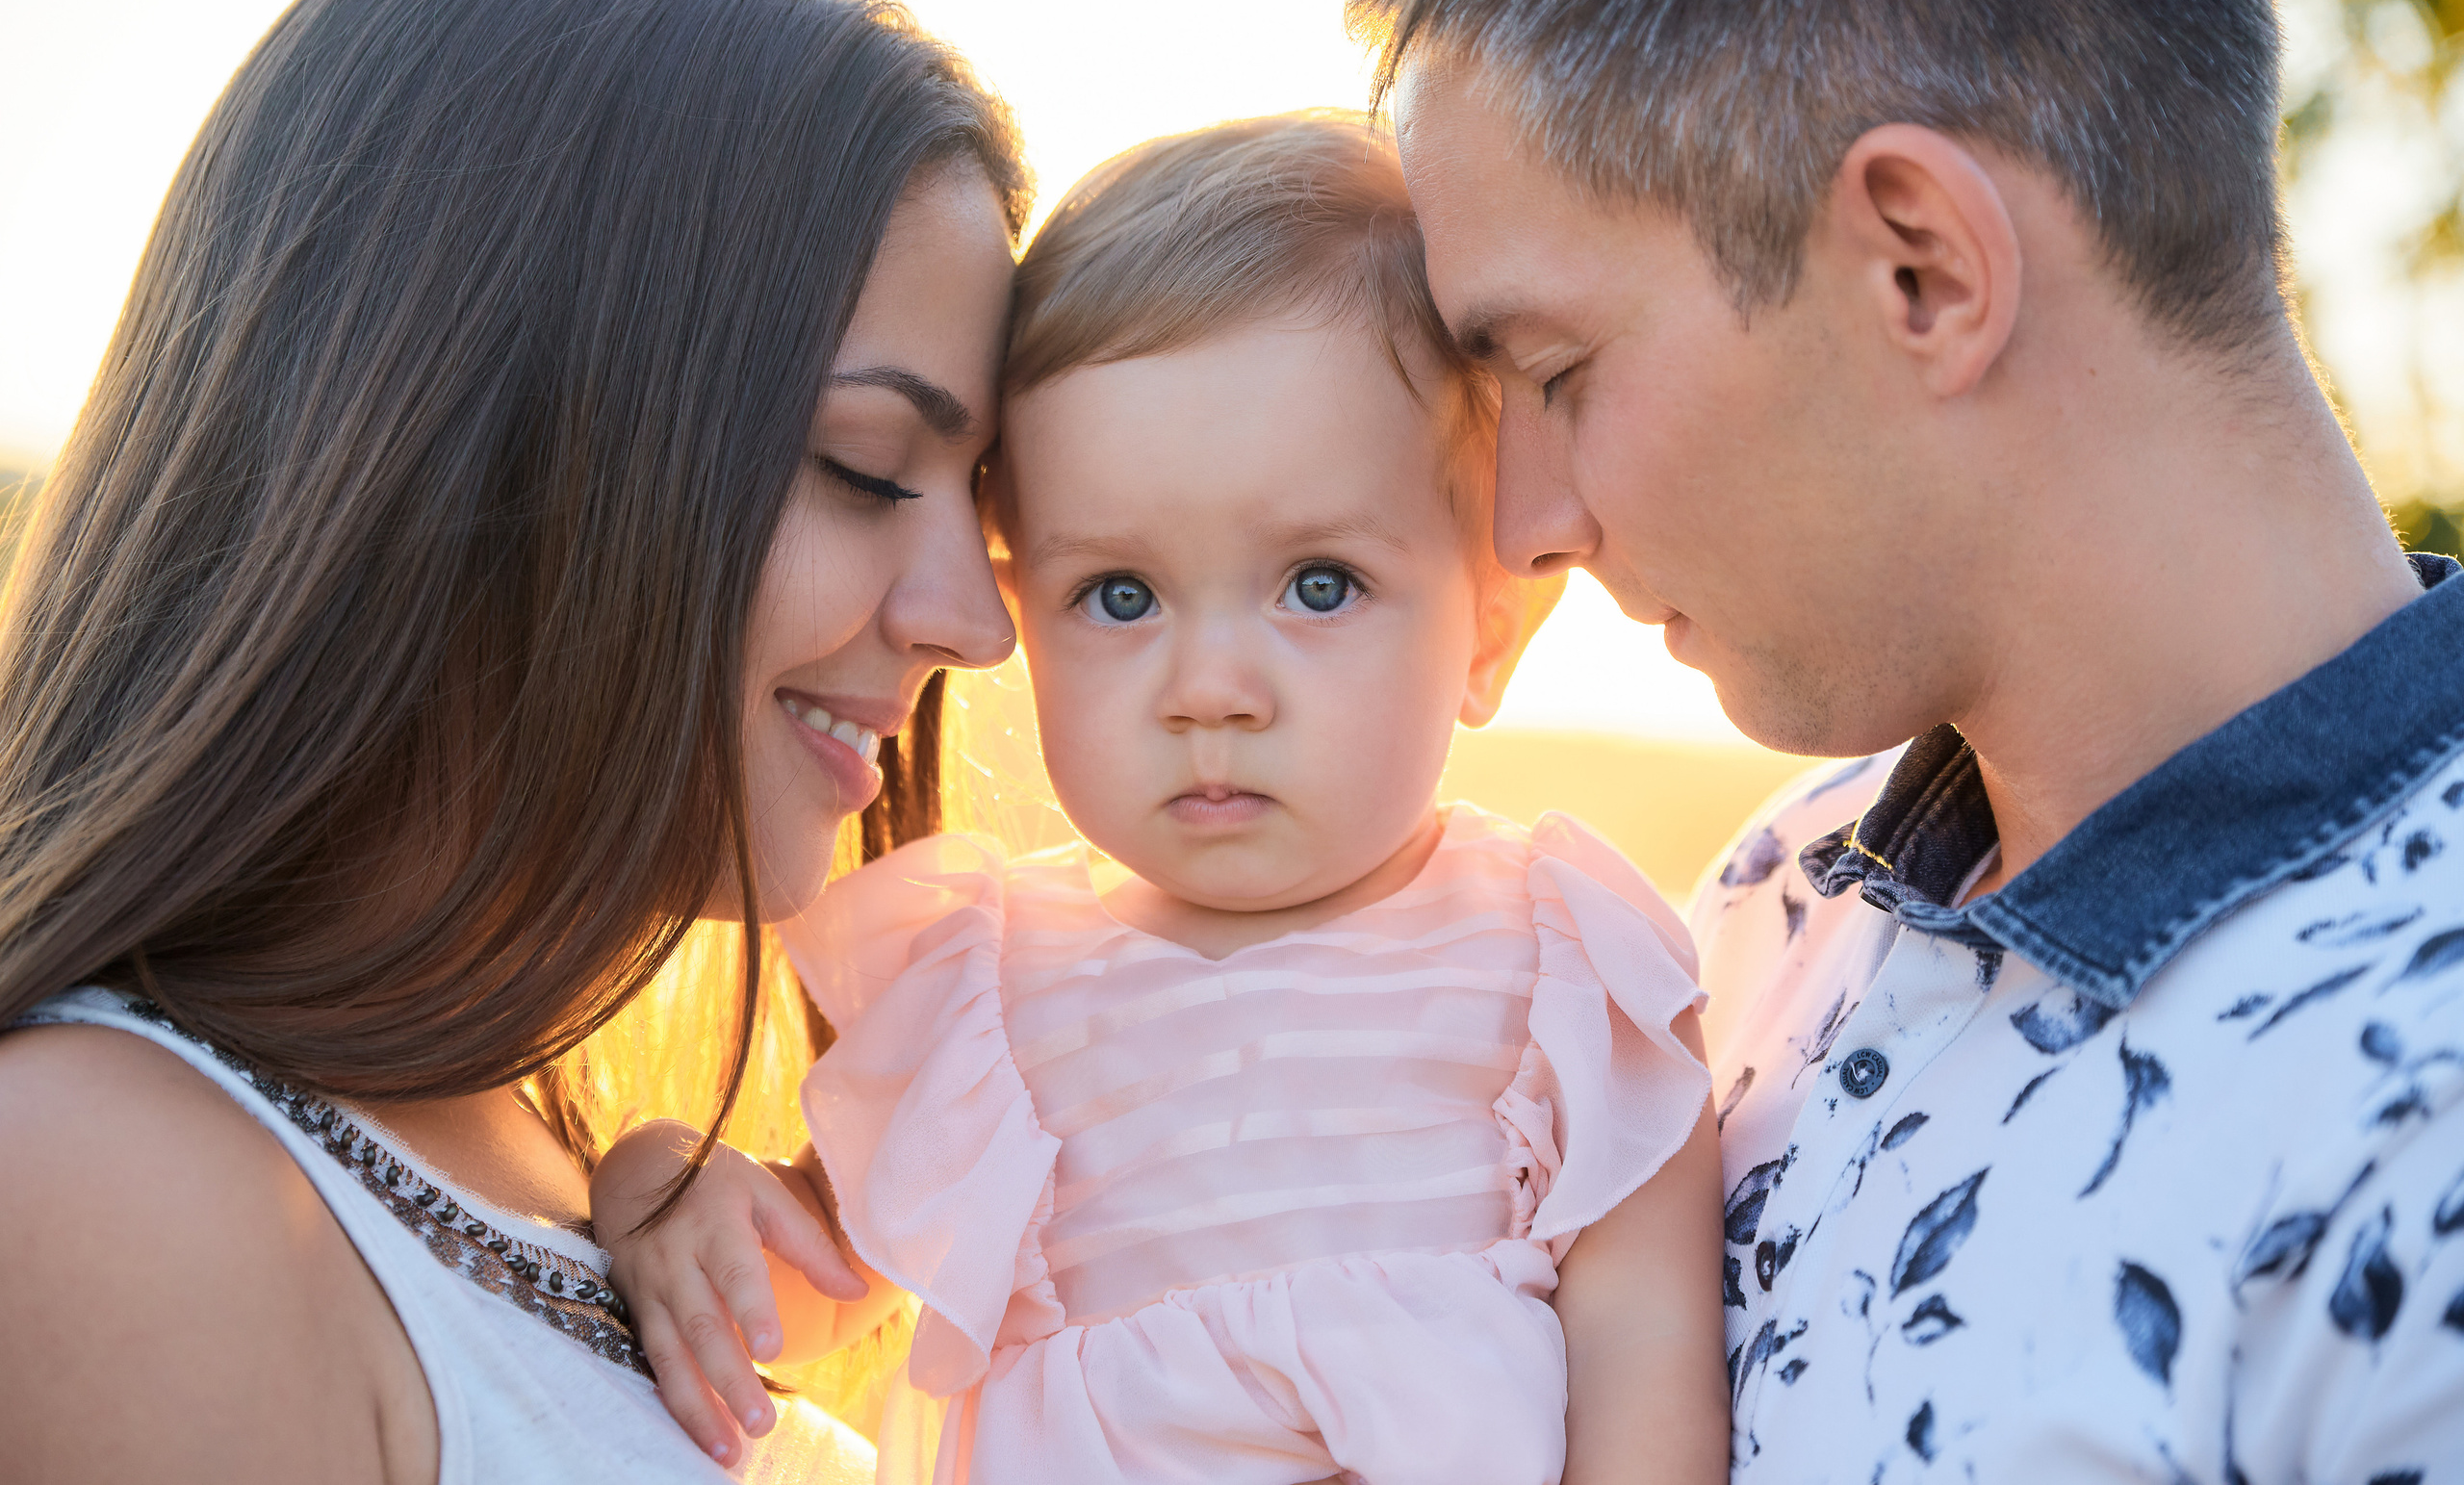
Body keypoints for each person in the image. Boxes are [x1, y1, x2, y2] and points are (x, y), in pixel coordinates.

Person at [1351, 0, 2464, 1479]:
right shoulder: (1757, 920)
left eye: (1559, 367)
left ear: (1920, 267)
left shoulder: (2426, 1117)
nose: (1518, 520)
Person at [0, 0, 1025, 1484]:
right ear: (508, 438)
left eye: (986, 498)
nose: (977, 618)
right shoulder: (107, 1192)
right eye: (863, 465)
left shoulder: (621, 1192)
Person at [587, 113, 1731, 1485]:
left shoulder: (1556, 959)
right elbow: (825, 1277)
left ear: (1489, 622)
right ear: (1023, 617)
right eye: (1117, 595)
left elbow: (1651, 1372)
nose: (1211, 688)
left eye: (1320, 583)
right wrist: (676, 1186)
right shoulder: (981, 990)